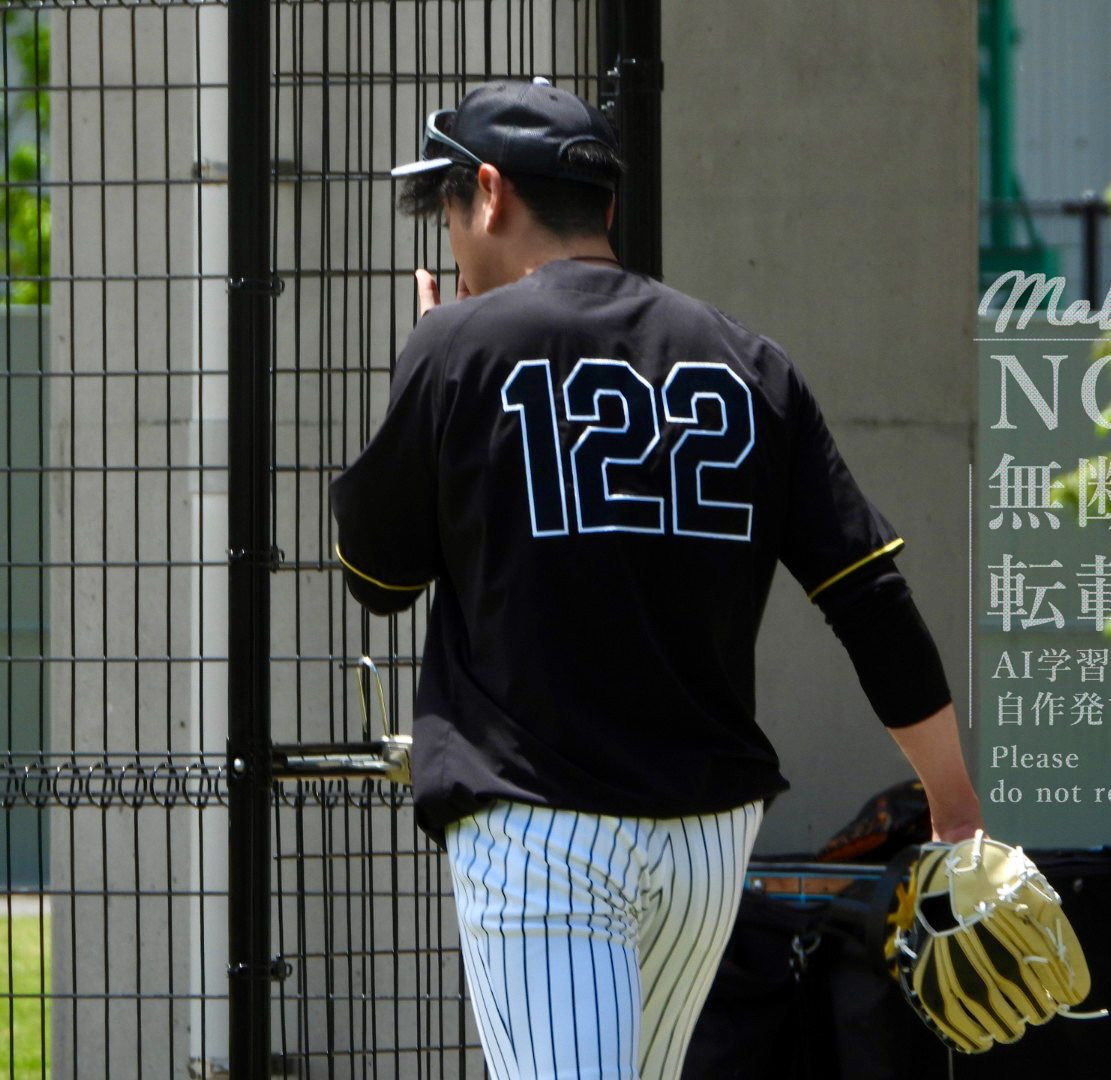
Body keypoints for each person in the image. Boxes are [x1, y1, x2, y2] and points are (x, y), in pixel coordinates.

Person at [330, 77, 983, 1080]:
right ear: (607, 205)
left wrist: (428, 364)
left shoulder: (457, 347)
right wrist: (954, 807)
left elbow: (377, 576)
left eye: (447, 204)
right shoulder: (749, 361)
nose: (449, 234)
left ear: (490, 193)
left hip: (542, 829)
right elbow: (867, 596)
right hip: (705, 843)